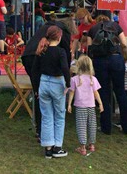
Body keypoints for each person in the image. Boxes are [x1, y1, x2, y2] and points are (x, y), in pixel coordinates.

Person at [22, 16, 73, 140]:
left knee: (40, 96)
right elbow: (65, 55)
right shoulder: (61, 32)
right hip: (48, 75)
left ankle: (41, 131)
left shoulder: (46, 28)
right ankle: (48, 133)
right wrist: (67, 80)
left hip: (29, 57)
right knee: (52, 106)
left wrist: (36, 87)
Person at [86, 15, 127, 135]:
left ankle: (106, 127)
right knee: (121, 92)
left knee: (103, 94)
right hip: (116, 59)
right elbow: (124, 43)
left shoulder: (93, 29)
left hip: (100, 61)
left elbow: (89, 48)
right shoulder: (116, 26)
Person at [32, 26, 70, 159]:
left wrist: (36, 88)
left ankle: (48, 148)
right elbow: (65, 68)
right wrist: (68, 84)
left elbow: (34, 70)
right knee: (59, 116)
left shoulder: (42, 50)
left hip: (43, 83)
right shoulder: (61, 52)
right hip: (57, 83)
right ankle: (57, 147)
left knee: (46, 116)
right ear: (59, 37)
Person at [67, 55, 104, 156]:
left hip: (80, 106)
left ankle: (82, 147)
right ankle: (91, 145)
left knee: (81, 126)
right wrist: (100, 103)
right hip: (91, 106)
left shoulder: (75, 79)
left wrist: (69, 104)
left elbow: (71, 92)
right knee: (92, 125)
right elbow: (96, 93)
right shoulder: (93, 79)